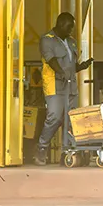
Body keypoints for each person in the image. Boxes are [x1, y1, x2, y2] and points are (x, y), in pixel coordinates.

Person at [36, 12, 79, 163]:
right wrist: (61, 73)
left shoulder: (72, 42)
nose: (71, 30)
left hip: (71, 85)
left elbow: (72, 65)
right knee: (54, 117)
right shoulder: (47, 40)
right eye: (69, 27)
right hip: (55, 85)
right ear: (60, 24)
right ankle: (42, 147)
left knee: (71, 119)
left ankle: (67, 152)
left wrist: (81, 67)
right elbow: (52, 61)